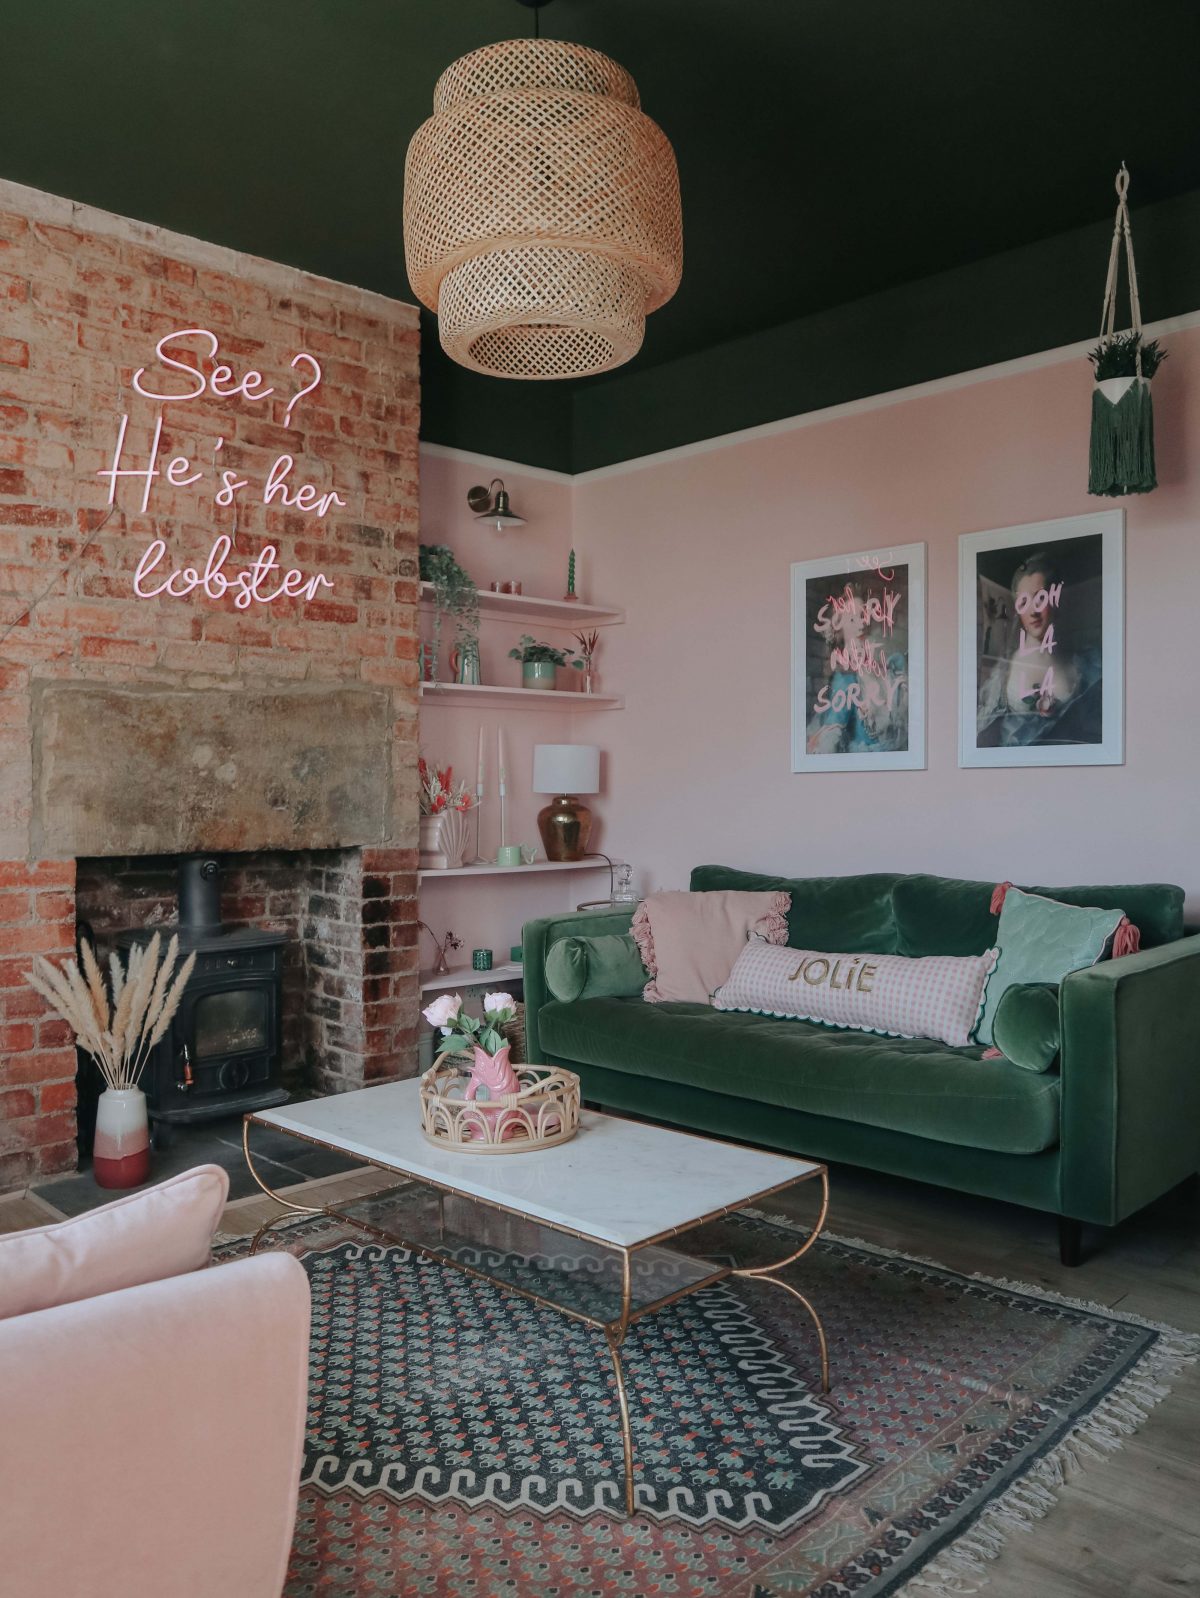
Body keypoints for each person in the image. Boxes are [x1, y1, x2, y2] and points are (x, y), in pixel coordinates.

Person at [976, 550, 1101, 747]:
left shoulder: (1086, 666)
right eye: (1024, 601)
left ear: (1055, 601)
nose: (1033, 611)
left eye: (1040, 599)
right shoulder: (1004, 670)